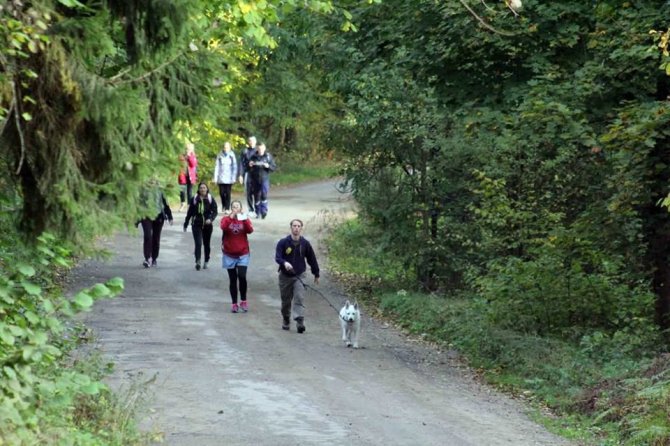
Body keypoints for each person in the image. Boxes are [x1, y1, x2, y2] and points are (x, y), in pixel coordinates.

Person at [275, 219, 320, 333]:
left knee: (299, 297)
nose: (296, 228)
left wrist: (316, 273)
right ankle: (286, 319)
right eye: (294, 226)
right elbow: (278, 257)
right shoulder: (283, 242)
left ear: (301, 228)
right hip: (285, 276)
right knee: (286, 301)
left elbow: (312, 259)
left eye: (298, 226)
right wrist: (284, 263)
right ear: (291, 228)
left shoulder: (305, 244)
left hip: (300, 275)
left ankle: (300, 321)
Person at [220, 200, 254, 313]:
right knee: (233, 279)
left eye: (237, 207)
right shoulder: (226, 219)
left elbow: (250, 230)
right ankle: (234, 303)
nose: (236, 209)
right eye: (233, 207)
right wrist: (231, 217)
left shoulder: (244, 219)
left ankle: (243, 300)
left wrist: (244, 219)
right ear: (231, 209)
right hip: (229, 254)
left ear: (241, 208)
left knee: (242, 276)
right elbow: (223, 227)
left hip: (243, 253)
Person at [183, 182, 218, 271]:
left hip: (207, 225)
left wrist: (210, 219)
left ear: (207, 189)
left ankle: (206, 261)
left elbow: (215, 211)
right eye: (201, 188)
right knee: (198, 243)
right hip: (196, 224)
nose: (202, 189)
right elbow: (190, 212)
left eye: (204, 188)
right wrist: (186, 223)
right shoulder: (194, 199)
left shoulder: (210, 199)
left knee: (207, 244)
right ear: (198, 189)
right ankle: (198, 261)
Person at [138, 184, 173, 268]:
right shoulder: (142, 190)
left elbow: (166, 204)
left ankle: (154, 258)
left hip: (158, 215)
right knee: (147, 236)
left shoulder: (161, 190)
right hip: (146, 215)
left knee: (156, 238)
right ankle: (147, 258)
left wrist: (170, 217)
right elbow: (138, 204)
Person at [248, 142, 276, 219]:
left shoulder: (268, 156)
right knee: (256, 196)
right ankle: (257, 212)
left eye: (261, 149)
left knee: (264, 195)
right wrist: (250, 165)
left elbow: (273, 168)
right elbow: (248, 168)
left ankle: (264, 211)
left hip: (264, 179)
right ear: (257, 148)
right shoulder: (253, 157)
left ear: (264, 148)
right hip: (255, 179)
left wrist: (268, 166)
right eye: (259, 149)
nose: (260, 150)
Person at [213, 141, 238, 213]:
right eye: (224, 147)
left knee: (228, 193)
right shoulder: (220, 155)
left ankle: (227, 208)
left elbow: (234, 167)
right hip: (221, 177)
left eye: (227, 147)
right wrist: (215, 177)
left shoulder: (232, 155)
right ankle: (223, 205)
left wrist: (233, 177)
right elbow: (217, 166)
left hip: (229, 177)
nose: (225, 148)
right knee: (221, 193)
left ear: (229, 148)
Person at [238, 136, 257, 216]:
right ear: (248, 142)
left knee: (257, 192)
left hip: (257, 174)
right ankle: (251, 209)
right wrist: (240, 175)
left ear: (255, 142)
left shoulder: (258, 151)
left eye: (253, 141)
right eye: (250, 141)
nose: (251, 142)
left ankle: (257, 209)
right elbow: (241, 164)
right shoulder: (245, 151)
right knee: (248, 192)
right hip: (248, 173)